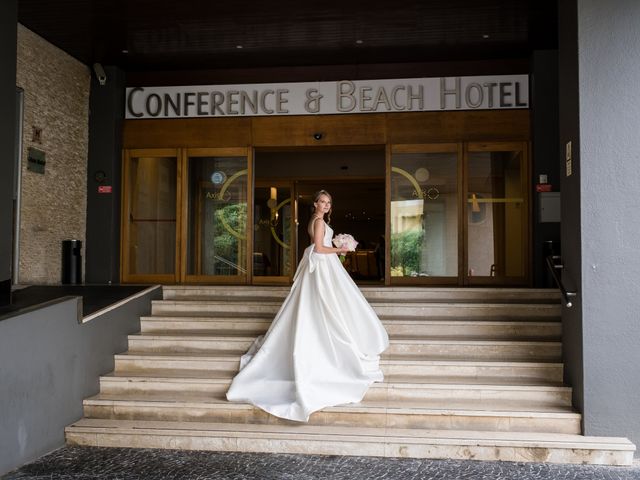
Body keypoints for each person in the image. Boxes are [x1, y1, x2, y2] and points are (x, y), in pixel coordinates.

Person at [226, 190, 389, 422]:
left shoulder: (315, 220)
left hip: (322, 266)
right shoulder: (319, 221)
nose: (325, 205)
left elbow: (318, 247)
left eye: (328, 202)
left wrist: (336, 249)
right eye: (322, 201)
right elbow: (319, 249)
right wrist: (340, 250)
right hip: (322, 266)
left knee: (325, 303)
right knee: (326, 304)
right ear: (315, 204)